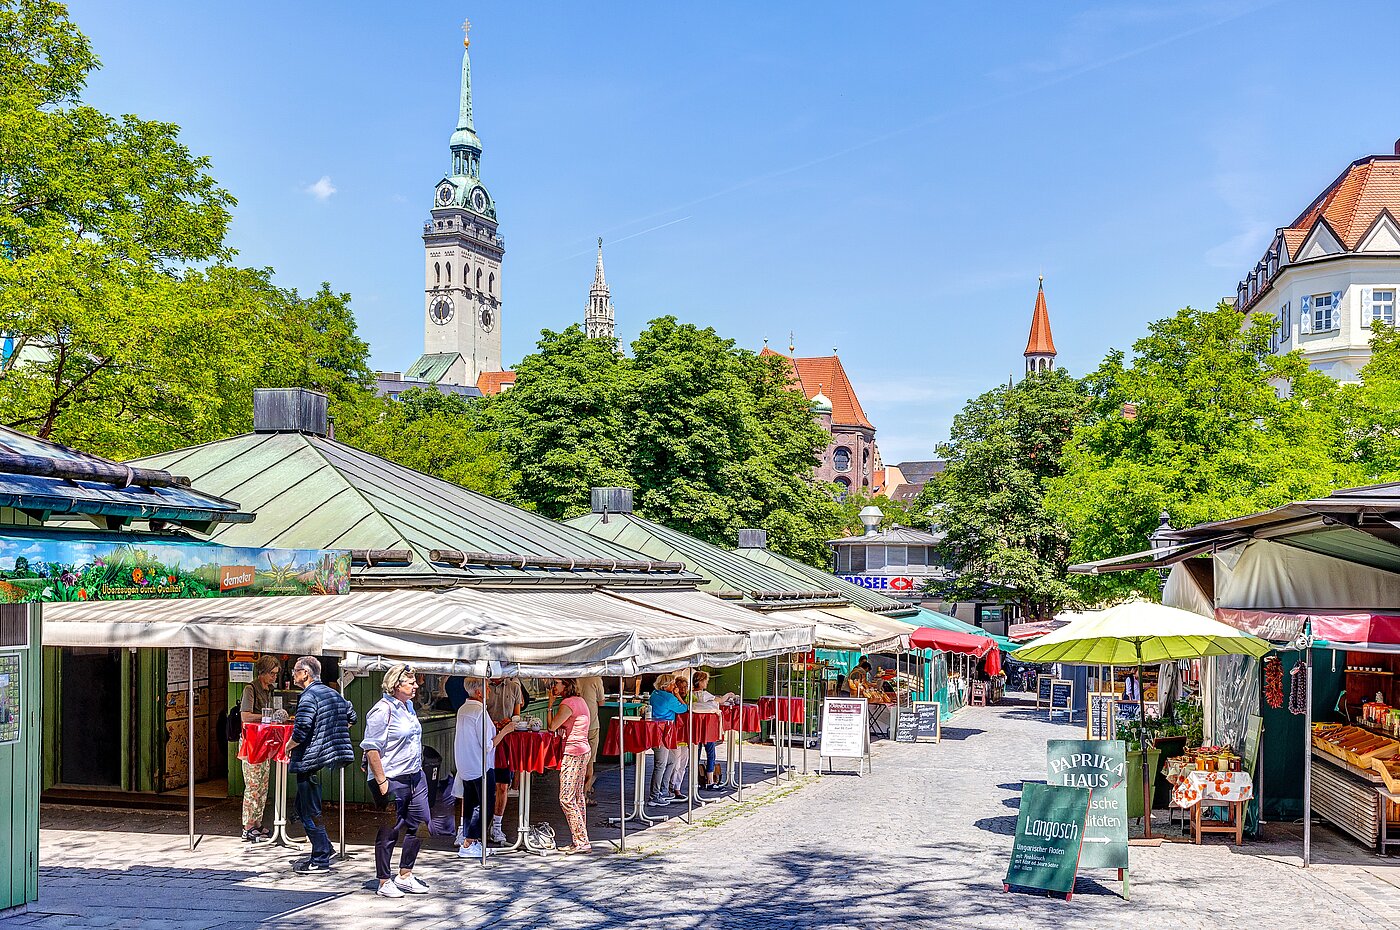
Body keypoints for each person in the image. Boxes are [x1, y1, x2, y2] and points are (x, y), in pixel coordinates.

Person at [362, 664, 432, 898]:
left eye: (415, 682)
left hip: (415, 775)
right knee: (390, 829)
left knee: (420, 822)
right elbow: (371, 748)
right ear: (396, 685)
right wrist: (382, 782)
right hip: (392, 777)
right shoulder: (381, 710)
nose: (415, 685)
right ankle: (383, 880)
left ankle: (405, 874)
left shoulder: (409, 706)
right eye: (410, 682)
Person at [286, 655, 356, 874]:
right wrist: (330, 734)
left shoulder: (308, 697)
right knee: (302, 806)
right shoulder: (332, 693)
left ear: (305, 673)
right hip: (326, 756)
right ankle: (326, 846)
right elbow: (351, 715)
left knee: (308, 809)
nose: (293, 675)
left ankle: (320, 859)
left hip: (310, 758)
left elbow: (302, 728)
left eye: (295, 671)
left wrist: (287, 746)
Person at [452, 679, 516, 859]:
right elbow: (488, 745)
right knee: (484, 806)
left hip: (465, 764)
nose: (489, 690)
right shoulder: (479, 712)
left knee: (470, 805)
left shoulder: (463, 709)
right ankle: (470, 841)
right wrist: (506, 731)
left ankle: (468, 840)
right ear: (479, 693)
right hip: (480, 766)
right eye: (487, 688)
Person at [238, 655, 281, 843]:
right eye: (271, 674)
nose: (274, 678)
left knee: (263, 785)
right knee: (253, 784)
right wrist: (265, 717)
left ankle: (257, 823)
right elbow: (245, 716)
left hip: (264, 742)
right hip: (251, 743)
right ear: (262, 672)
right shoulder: (250, 689)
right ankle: (247, 826)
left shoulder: (269, 690)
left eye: (276, 674)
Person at [547, 678, 593, 853]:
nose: (553, 686)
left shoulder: (567, 704)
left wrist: (550, 705)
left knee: (566, 798)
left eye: (557, 683)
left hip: (573, 752)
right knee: (577, 796)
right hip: (583, 750)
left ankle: (582, 841)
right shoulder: (580, 701)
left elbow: (552, 727)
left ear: (566, 685)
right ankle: (580, 839)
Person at [483, 676, 524, 843]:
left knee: (502, 785)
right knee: (482, 783)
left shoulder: (514, 687)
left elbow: (517, 716)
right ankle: (477, 826)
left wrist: (510, 723)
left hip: (505, 741)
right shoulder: (483, 685)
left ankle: (497, 826)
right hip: (485, 739)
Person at [647, 674, 687, 807]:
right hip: (664, 732)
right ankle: (654, 796)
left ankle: (663, 791)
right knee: (661, 764)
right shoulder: (669, 698)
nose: (674, 686)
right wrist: (678, 695)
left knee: (671, 760)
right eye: (673, 684)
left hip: (654, 731)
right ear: (666, 685)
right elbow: (683, 708)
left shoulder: (654, 694)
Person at [691, 671, 730, 790]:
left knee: (695, 754)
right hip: (707, 727)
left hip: (695, 728)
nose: (707, 683)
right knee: (711, 753)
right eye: (705, 681)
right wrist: (729, 694)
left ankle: (694, 780)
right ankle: (710, 780)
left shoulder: (690, 695)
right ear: (701, 682)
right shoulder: (704, 694)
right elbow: (720, 700)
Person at [576, 676, 605, 806]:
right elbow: (601, 702)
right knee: (590, 762)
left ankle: (575, 792)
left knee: (577, 761)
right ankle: (585, 794)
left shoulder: (576, 677)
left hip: (576, 725)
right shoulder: (596, 679)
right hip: (592, 724)